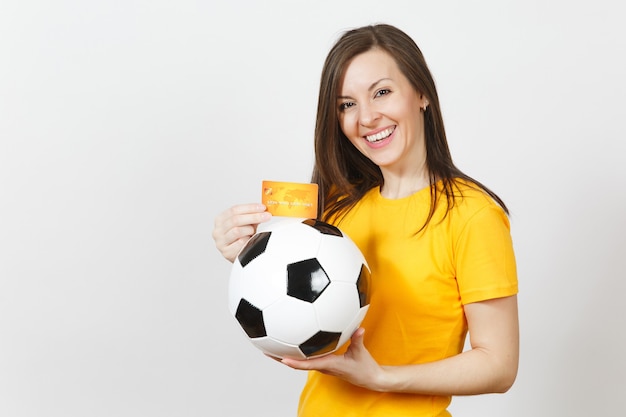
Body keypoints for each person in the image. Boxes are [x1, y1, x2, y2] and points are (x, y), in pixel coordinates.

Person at [212, 23, 519, 417]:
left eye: (382, 92)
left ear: (422, 93)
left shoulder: (472, 215)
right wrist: (246, 257)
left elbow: (499, 365)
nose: (367, 117)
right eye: (347, 104)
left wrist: (381, 378)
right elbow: (295, 336)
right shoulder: (336, 209)